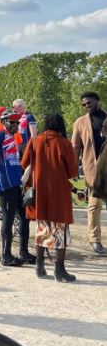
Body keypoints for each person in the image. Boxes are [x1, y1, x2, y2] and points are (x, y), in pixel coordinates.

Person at [21, 113, 78, 282]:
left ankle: (40, 267)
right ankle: (59, 270)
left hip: (39, 194)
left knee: (42, 230)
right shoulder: (64, 143)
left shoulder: (35, 141)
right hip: (59, 194)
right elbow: (72, 172)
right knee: (59, 232)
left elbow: (24, 163)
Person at [0, 111, 34, 266]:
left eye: (17, 122)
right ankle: (6, 256)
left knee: (24, 218)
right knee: (8, 219)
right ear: (3, 121)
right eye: (11, 122)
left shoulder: (12, 137)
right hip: (5, 185)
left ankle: (24, 252)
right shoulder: (0, 135)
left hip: (16, 184)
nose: (15, 125)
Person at [72, 91, 107, 255]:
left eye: (89, 103)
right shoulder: (80, 123)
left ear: (98, 101)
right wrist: (73, 169)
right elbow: (75, 147)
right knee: (94, 206)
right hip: (93, 170)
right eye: (84, 104)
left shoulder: (106, 118)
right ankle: (95, 240)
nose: (87, 106)